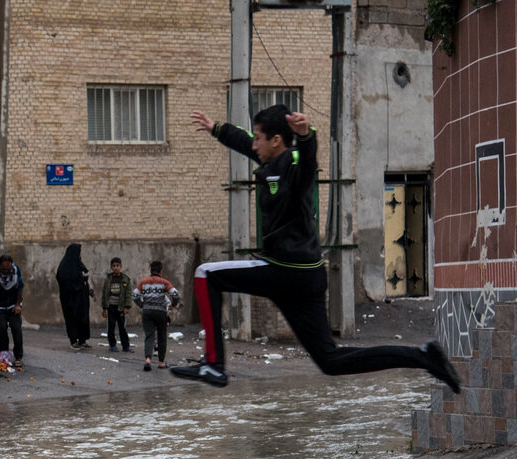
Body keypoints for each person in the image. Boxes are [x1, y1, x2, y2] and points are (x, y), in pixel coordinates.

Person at [177, 105, 460, 391]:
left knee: (206, 274)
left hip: (285, 270)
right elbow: (243, 141)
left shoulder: (295, 165)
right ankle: (423, 357)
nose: (253, 143)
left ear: (276, 140)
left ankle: (213, 364)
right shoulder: (269, 161)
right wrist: (216, 129)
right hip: (305, 277)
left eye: (258, 138)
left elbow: (308, 162)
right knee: (331, 361)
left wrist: (307, 136)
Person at [133, 260, 179, 371]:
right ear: (161, 271)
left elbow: (135, 295)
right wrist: (173, 304)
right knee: (162, 337)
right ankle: (161, 362)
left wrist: (142, 305)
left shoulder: (143, 282)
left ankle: (148, 360)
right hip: (160, 313)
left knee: (149, 336)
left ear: (151, 270)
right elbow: (175, 294)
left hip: (147, 312)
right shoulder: (164, 282)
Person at [56, 243, 92, 349]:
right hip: (70, 299)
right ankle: (73, 340)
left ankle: (82, 340)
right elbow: (63, 279)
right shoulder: (64, 266)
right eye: (79, 252)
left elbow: (84, 276)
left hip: (81, 298)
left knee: (83, 318)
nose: (80, 254)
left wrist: (87, 287)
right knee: (72, 318)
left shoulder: (78, 264)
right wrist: (78, 283)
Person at [101, 257, 133, 352]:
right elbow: (104, 293)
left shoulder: (125, 279)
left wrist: (127, 306)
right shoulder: (108, 279)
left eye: (117, 266)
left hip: (120, 307)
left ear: (121, 266)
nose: (116, 268)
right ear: (111, 267)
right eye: (114, 266)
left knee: (122, 327)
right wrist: (104, 308)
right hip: (111, 306)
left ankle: (125, 346)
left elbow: (128, 293)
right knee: (111, 327)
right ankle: (112, 345)